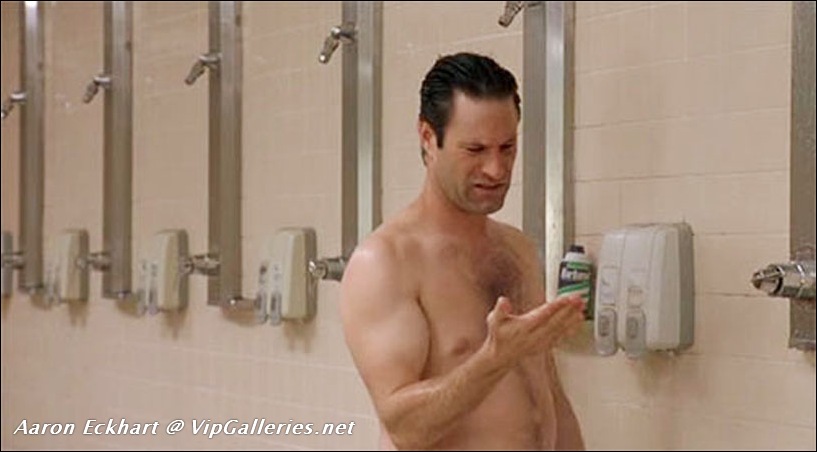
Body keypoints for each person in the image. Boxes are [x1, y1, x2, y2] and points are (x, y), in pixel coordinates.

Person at [339, 52, 586, 451]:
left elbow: (551, 395)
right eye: (475, 150)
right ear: (427, 138)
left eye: (507, 147)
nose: (496, 169)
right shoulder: (386, 262)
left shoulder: (517, 250)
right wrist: (494, 359)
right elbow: (405, 427)